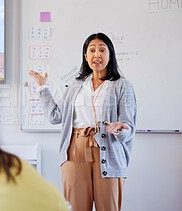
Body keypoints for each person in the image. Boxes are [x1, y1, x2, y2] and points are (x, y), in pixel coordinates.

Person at [29, 32, 137, 211]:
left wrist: (120, 128)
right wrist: (42, 87)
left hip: (108, 152)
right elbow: (55, 116)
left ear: (110, 55)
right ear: (85, 56)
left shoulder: (122, 85)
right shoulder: (76, 84)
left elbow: (127, 128)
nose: (97, 55)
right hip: (75, 150)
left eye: (102, 50)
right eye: (92, 50)